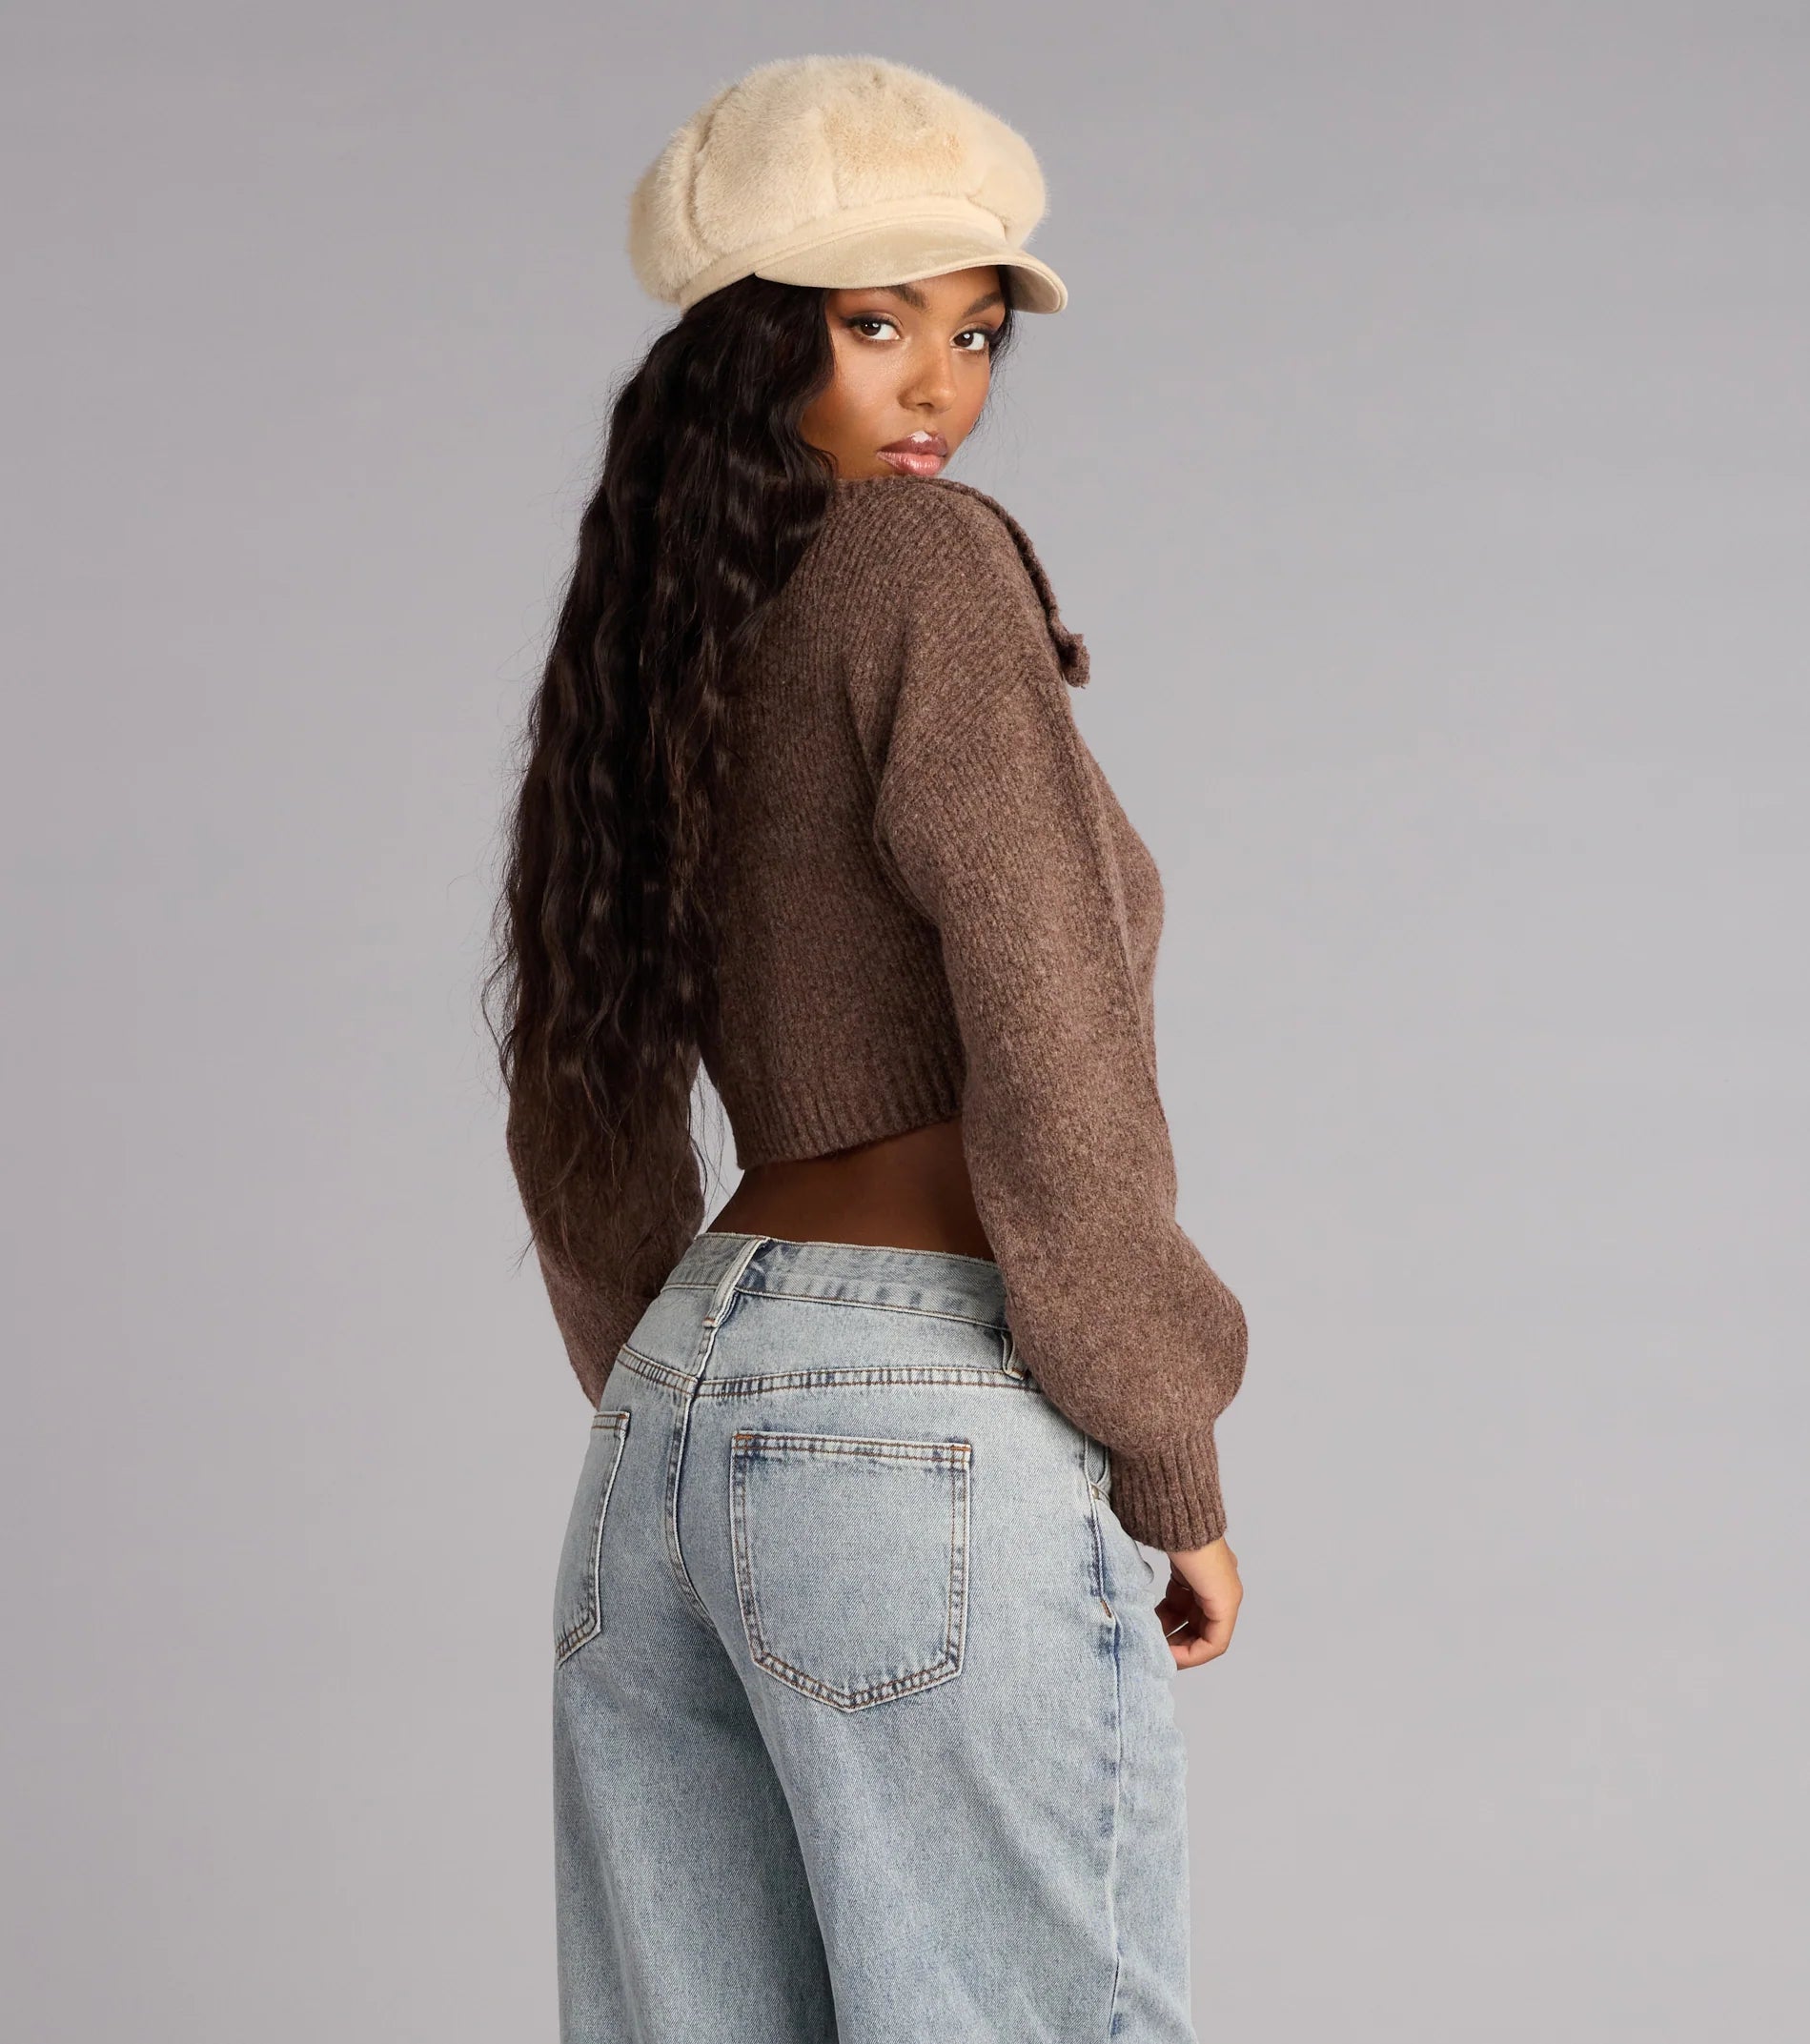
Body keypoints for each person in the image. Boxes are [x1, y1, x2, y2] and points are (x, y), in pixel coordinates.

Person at [486, 52, 1251, 2044]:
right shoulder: (926, 566)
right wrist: (1162, 1444)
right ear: (752, 340)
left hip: (666, 1437)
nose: (937, 390)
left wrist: (693, 1416)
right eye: (876, 323)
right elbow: (1050, 1022)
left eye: (972, 332)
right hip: (912, 1420)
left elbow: (574, 1082)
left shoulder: (656, 628)